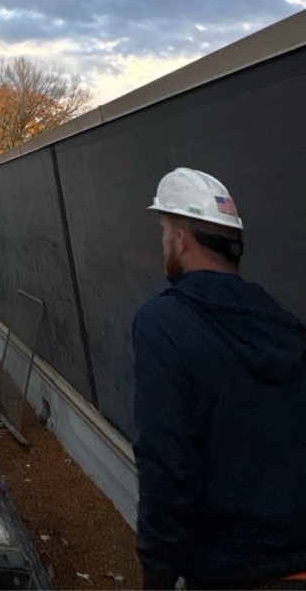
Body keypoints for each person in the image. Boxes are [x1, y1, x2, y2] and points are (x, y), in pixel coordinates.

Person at [133, 168, 306, 590]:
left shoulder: (163, 323)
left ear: (180, 239)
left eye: (163, 232)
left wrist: (157, 572)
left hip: (227, 573)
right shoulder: (285, 326)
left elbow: (166, 465)